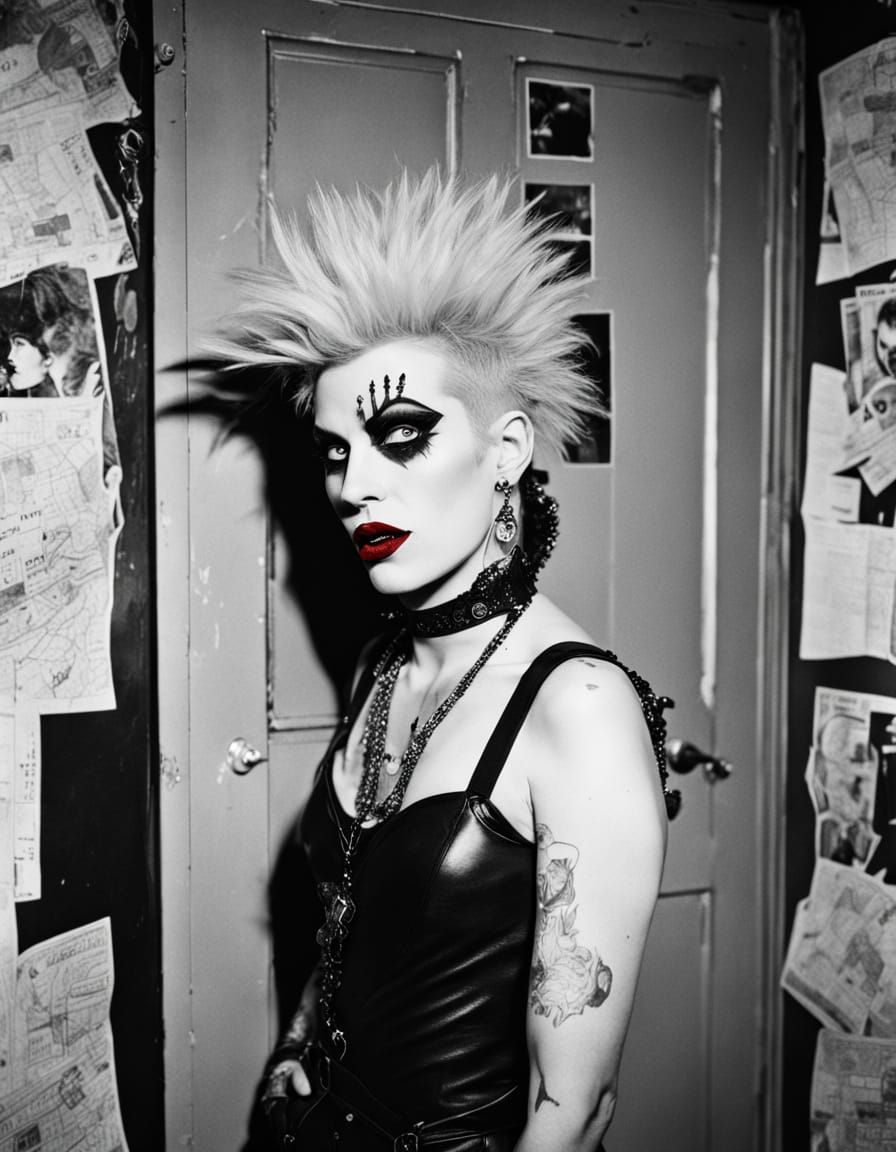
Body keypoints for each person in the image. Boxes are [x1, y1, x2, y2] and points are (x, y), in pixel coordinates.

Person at [212, 167, 673, 1152]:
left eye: (399, 435)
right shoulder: (384, 664)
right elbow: (350, 910)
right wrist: (293, 1053)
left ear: (506, 450)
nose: (352, 488)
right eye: (335, 452)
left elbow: (573, 1108)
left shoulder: (578, 707)